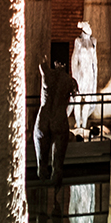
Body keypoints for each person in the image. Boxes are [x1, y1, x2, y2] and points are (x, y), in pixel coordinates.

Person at [34, 45, 77, 189]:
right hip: (59, 118)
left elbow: (41, 63)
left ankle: (41, 196)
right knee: (58, 165)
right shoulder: (70, 81)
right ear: (65, 65)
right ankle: (56, 195)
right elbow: (74, 97)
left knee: (42, 164)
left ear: (56, 64)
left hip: (44, 118)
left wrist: (44, 58)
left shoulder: (47, 73)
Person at [70, 20, 97, 128]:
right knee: (78, 99)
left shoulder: (93, 41)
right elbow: (74, 59)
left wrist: (95, 74)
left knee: (88, 99)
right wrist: (74, 75)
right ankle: (78, 124)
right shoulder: (78, 41)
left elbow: (95, 60)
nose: (89, 27)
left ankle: (84, 124)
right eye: (88, 25)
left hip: (89, 74)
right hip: (80, 73)